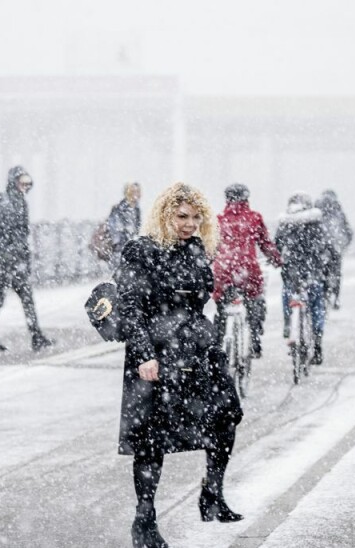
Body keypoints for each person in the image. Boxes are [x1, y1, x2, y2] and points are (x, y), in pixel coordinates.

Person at [115, 182, 244, 548]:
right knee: (150, 437)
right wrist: (143, 355)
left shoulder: (198, 248)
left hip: (198, 347)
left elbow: (202, 299)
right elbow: (130, 307)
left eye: (195, 216)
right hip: (156, 350)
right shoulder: (140, 250)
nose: (189, 223)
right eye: (181, 216)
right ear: (164, 215)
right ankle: (144, 520)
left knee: (226, 414)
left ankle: (212, 493)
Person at [0, 166, 53, 353]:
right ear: (14, 182)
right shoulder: (5, 202)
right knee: (13, 299)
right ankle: (34, 336)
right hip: (8, 260)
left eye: (27, 183)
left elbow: (19, 233)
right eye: (22, 182)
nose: (25, 186)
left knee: (8, 299)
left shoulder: (18, 201)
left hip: (13, 260)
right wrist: (7, 253)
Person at [212, 183, 282, 358]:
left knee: (222, 306)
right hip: (247, 269)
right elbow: (265, 243)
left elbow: (210, 248)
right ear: (246, 198)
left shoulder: (218, 220)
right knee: (255, 300)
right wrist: (277, 260)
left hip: (224, 271)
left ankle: (218, 344)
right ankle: (255, 340)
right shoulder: (254, 218)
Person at [275, 192, 339, 365]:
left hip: (292, 272)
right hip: (313, 271)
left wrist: (279, 259)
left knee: (288, 295)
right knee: (317, 305)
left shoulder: (285, 223)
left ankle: (289, 325)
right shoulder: (317, 223)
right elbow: (329, 247)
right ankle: (317, 344)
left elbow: (277, 246)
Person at [315, 190, 353, 309]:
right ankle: (336, 298)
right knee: (336, 273)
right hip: (335, 247)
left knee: (318, 272)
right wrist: (343, 245)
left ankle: (319, 294)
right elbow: (348, 232)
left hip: (320, 247)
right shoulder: (338, 212)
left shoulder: (316, 210)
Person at [108, 182, 142, 266]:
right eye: (133, 191)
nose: (136, 194)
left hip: (132, 247)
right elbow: (115, 229)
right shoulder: (119, 208)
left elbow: (137, 228)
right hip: (121, 248)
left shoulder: (137, 209)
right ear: (127, 193)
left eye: (138, 191)